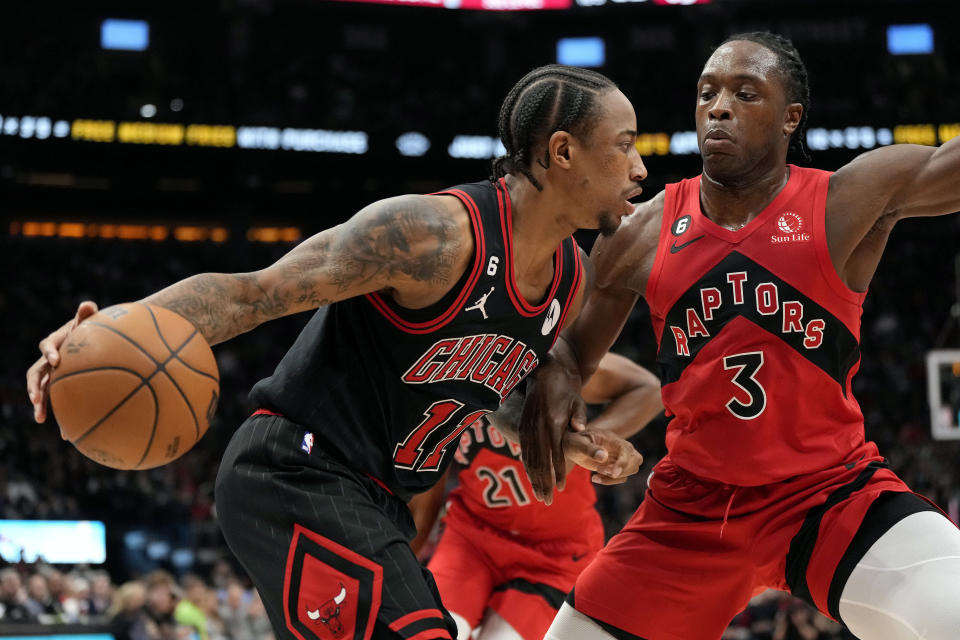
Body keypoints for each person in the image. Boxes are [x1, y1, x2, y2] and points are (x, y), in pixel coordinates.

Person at [26, 64, 647, 640]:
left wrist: (568, 441)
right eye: (624, 143)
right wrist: (110, 329)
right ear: (564, 152)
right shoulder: (431, 236)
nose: (640, 167)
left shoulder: (571, 280)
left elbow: (483, 397)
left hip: (377, 503)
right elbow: (253, 294)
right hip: (297, 471)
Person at [520, 33, 960, 640]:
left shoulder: (845, 199)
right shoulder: (639, 231)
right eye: (707, 93)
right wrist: (565, 417)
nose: (718, 107)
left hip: (830, 493)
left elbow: (947, 167)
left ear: (791, 118)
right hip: (690, 510)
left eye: (744, 93)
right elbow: (569, 357)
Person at [408, 352, 662, 640]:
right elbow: (428, 494)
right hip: (472, 537)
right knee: (425, 632)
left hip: (553, 553)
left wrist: (589, 441)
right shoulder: (449, 367)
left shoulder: (549, 359)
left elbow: (649, 388)